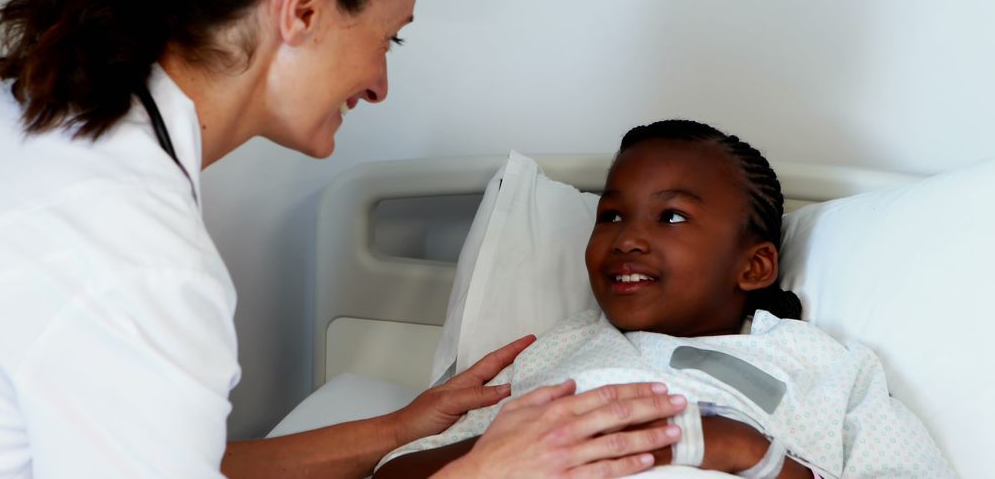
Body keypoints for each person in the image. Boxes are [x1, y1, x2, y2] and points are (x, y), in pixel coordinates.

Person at [0, 0, 688, 477]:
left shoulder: (4, 122)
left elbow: (171, 459)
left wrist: (396, 429)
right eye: (389, 37)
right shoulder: (134, 257)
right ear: (305, 5)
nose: (381, 83)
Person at [375, 120, 954, 478]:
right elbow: (395, 472)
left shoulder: (824, 366)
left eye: (672, 216)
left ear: (753, 266)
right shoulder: (551, 353)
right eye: (611, 215)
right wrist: (516, 450)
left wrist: (744, 451)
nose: (626, 238)